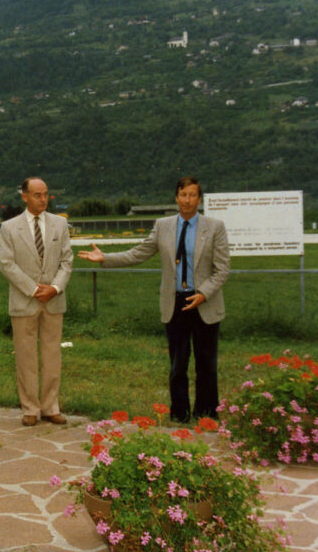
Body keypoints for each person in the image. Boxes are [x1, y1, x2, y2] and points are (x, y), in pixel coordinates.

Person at [78, 176, 230, 422]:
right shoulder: (163, 226)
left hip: (205, 302)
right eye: (183, 194)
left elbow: (222, 269)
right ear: (176, 198)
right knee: (178, 364)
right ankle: (179, 415)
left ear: (199, 199)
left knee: (206, 364)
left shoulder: (215, 227)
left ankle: (207, 416)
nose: (187, 200)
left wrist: (203, 293)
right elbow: (138, 253)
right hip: (175, 303)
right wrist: (106, 258)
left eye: (192, 195)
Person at [0, 177, 73, 426]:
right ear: (24, 196)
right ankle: (30, 408)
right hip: (24, 301)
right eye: (37, 195)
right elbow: (7, 264)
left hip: (54, 300)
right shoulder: (9, 228)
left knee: (52, 355)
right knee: (25, 357)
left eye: (46, 194)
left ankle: (51, 407)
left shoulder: (60, 225)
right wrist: (33, 290)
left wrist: (54, 288)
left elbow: (67, 261)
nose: (43, 199)